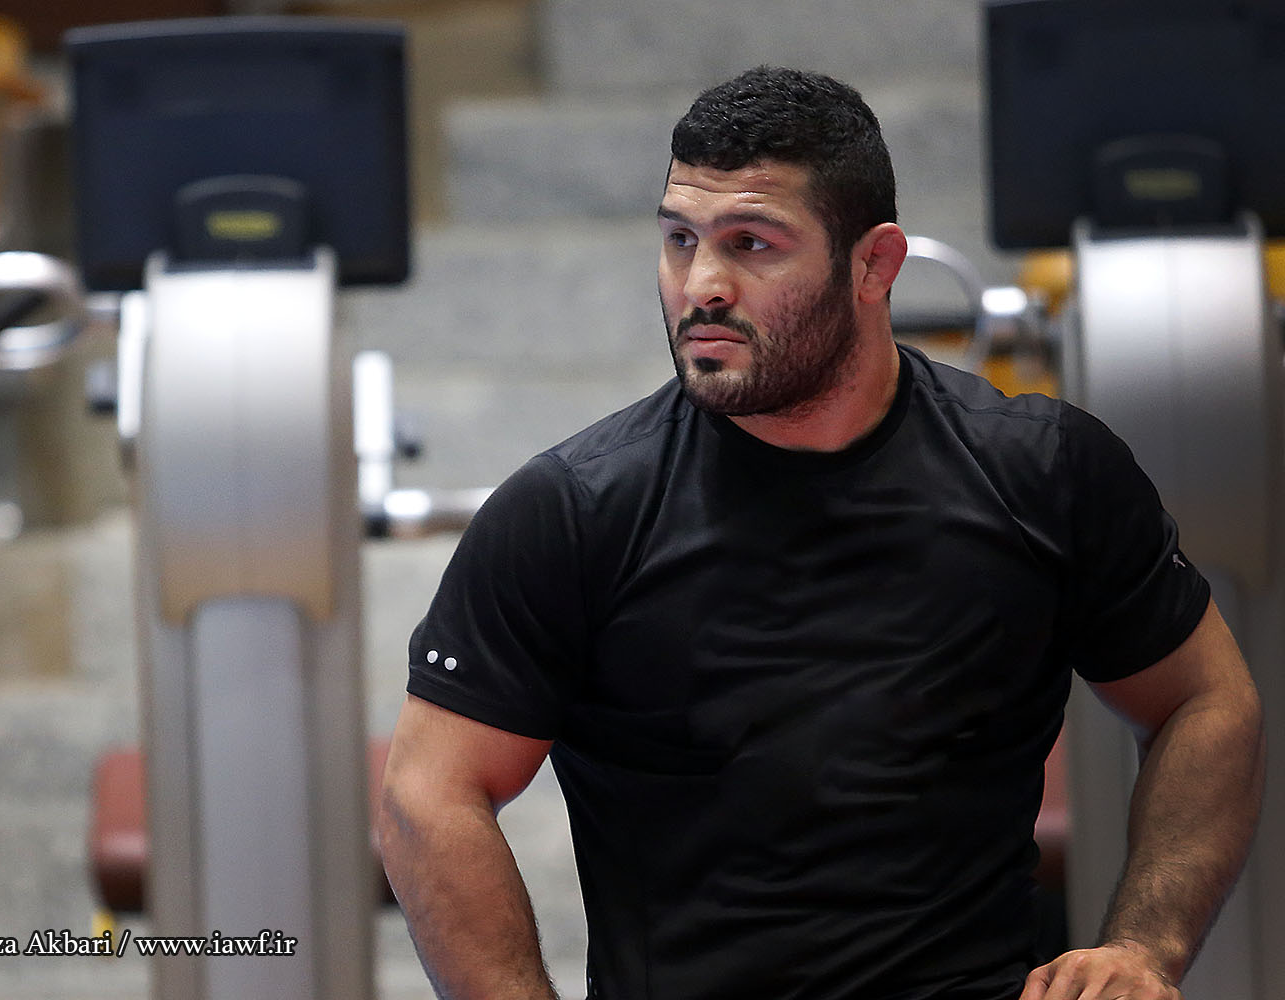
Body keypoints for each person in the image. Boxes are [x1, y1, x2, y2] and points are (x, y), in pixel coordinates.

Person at [376, 66, 1264, 1000]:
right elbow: (429, 792)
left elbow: (1206, 701)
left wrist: (1146, 947)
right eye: (680, 240)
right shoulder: (574, 509)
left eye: (752, 243)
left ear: (875, 265)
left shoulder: (1042, 472)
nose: (701, 285)